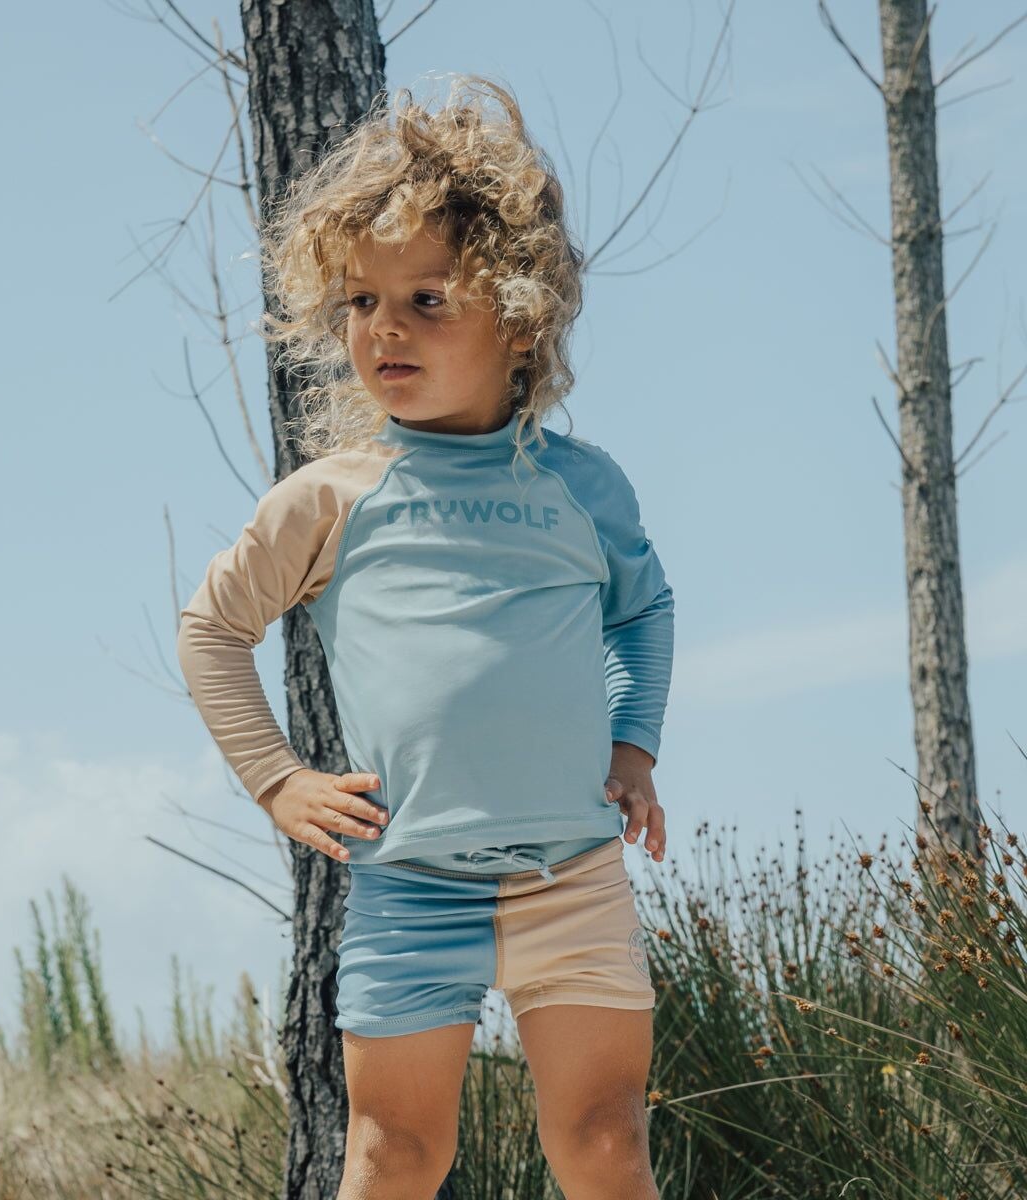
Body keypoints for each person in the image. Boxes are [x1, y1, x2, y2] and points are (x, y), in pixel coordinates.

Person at [176, 74, 673, 1200]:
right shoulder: (329, 497)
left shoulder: (583, 486)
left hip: (573, 875)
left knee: (605, 1142)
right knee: (394, 1154)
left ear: (520, 319)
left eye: (427, 298)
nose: (383, 327)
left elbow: (643, 611)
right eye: (360, 300)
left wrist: (634, 746)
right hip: (409, 885)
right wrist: (276, 780)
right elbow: (212, 629)